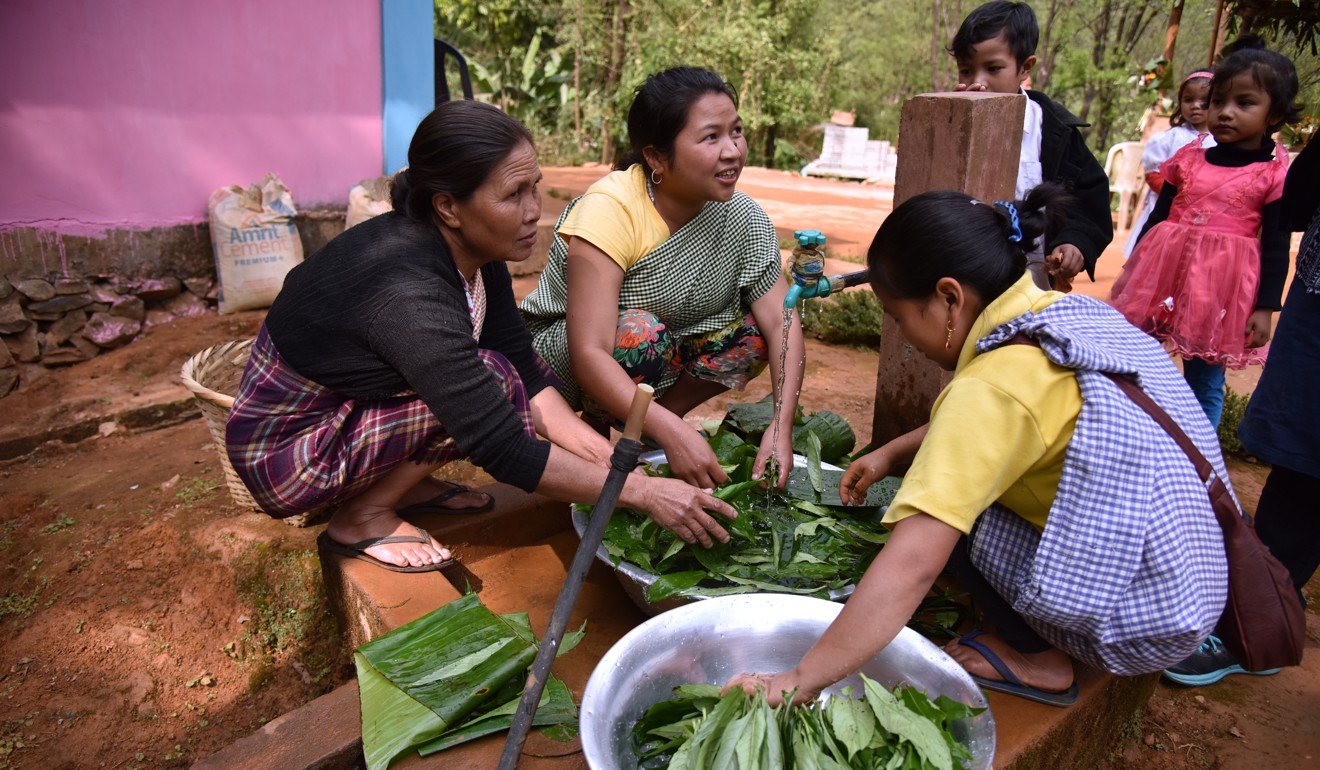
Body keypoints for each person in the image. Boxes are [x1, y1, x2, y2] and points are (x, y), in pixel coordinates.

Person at [728, 185, 1229, 708]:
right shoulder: (1062, 315)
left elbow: (913, 564)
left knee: (960, 528)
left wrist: (798, 679)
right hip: (1189, 572)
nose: (902, 334)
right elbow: (1013, 421)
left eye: (900, 319)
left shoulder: (989, 387)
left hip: (1146, 619)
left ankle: (1041, 658)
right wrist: (892, 452)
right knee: (960, 486)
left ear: (948, 297)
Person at [225, 100, 736, 573]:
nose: (534, 209)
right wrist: (642, 495)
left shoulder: (475, 253)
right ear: (449, 207)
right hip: (287, 453)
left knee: (501, 369)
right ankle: (363, 517)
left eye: (534, 186)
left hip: (350, 414)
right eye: (513, 195)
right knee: (488, 380)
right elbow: (501, 446)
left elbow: (527, 370)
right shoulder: (407, 290)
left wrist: (605, 459)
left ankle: (400, 486)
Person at [520, 67, 805, 491]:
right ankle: (605, 433)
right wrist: (679, 434)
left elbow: (782, 322)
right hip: (562, 359)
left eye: (736, 132)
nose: (732, 151)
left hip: (658, 357)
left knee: (755, 332)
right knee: (640, 334)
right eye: (711, 137)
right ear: (655, 157)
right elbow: (590, 352)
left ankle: (655, 425)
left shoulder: (742, 217)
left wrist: (781, 427)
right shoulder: (610, 209)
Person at [1164, 133, 1319, 686]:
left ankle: (1258, 620)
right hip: (1315, 300)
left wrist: (1264, 302)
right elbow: (1301, 206)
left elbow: (1278, 230)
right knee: (1299, 457)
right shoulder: (1194, 159)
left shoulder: (1265, 169)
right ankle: (1259, 605)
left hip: (1256, 295)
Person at [1111, 39, 1299, 428]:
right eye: (1218, 102)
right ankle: (1128, 431)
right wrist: (1136, 269)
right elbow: (1158, 219)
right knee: (1134, 359)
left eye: (1244, 103)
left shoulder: (1273, 174)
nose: (1224, 113)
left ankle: (1199, 458)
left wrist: (1265, 308)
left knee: (1204, 379)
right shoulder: (1186, 161)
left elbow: (1277, 244)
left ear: (1275, 115)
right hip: (1160, 278)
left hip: (1218, 293)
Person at [950, 0, 1113, 292]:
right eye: (966, 70)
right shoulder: (950, 123)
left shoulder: (1053, 130)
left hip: (1034, 281)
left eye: (993, 68)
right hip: (968, 278)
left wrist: (1075, 240)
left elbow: (1091, 196)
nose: (979, 82)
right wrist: (952, 123)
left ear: (1025, 68)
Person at [1123, 71, 1216, 258]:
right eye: (1188, 100)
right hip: (1165, 209)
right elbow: (1153, 173)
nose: (1195, 106)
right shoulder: (1169, 139)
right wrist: (1178, 194)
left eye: (1204, 102)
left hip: (1204, 214)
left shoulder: (1220, 142)